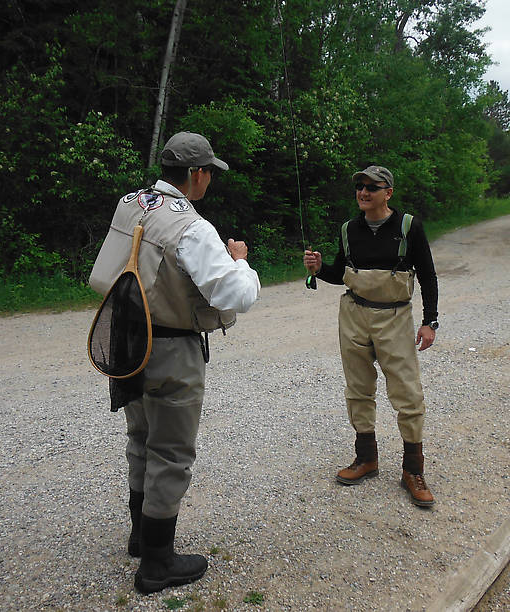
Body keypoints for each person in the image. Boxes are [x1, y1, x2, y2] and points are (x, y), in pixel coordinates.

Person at [89, 132, 260, 592]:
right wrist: (240, 261)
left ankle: (140, 537)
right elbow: (236, 294)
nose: (210, 181)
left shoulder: (132, 201)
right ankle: (157, 564)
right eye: (210, 173)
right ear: (198, 174)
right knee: (172, 451)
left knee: (140, 436)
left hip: (127, 340)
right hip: (171, 347)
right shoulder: (194, 227)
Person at [302, 165, 438, 507]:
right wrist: (320, 269)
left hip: (394, 317)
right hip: (354, 315)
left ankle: (413, 470)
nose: (364, 192)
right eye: (360, 187)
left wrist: (429, 322)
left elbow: (428, 275)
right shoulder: (349, 229)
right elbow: (341, 273)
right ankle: (366, 458)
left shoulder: (409, 227)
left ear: (387, 192)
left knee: (407, 392)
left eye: (372, 187)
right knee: (358, 388)